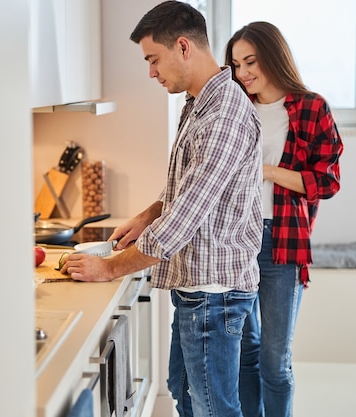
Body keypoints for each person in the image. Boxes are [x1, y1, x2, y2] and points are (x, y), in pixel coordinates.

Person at [60, 1, 263, 415]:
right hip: (200, 290)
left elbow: (185, 219)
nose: (151, 72)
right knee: (185, 394)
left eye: (153, 59)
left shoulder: (222, 114)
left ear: (183, 47)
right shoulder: (198, 103)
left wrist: (109, 268)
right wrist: (146, 216)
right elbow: (188, 191)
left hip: (214, 295)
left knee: (213, 409)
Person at [224, 21, 344, 417]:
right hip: (236, 239)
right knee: (246, 350)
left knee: (275, 362)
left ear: (273, 56)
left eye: (251, 61)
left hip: (283, 240)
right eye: (237, 64)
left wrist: (269, 171)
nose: (243, 73)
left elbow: (327, 181)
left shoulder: (311, 107)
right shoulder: (235, 105)